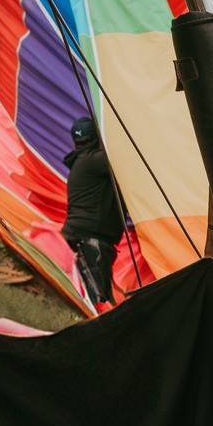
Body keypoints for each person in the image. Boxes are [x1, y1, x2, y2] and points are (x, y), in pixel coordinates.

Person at [61, 117, 125, 307]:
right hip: (90, 242)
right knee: (101, 305)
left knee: (98, 303)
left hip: (81, 239)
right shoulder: (94, 161)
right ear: (98, 137)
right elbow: (126, 157)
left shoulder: (82, 162)